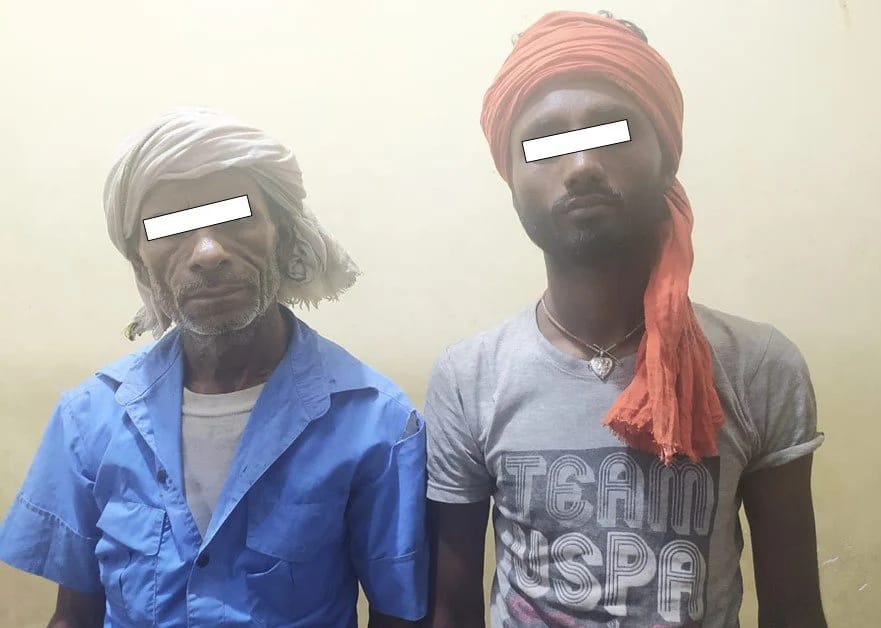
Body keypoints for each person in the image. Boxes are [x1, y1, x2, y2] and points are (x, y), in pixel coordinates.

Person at [425, 11, 826, 628]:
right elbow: (450, 611)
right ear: (511, 179)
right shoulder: (469, 376)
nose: (581, 164)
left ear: (667, 158)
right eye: (544, 144)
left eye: (612, 132)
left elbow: (794, 609)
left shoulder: (757, 366)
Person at [0, 107, 427, 627]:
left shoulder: (377, 424)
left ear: (283, 235)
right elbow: (73, 617)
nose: (207, 252)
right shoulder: (88, 419)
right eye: (170, 228)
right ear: (140, 262)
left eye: (236, 218)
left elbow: (398, 616)